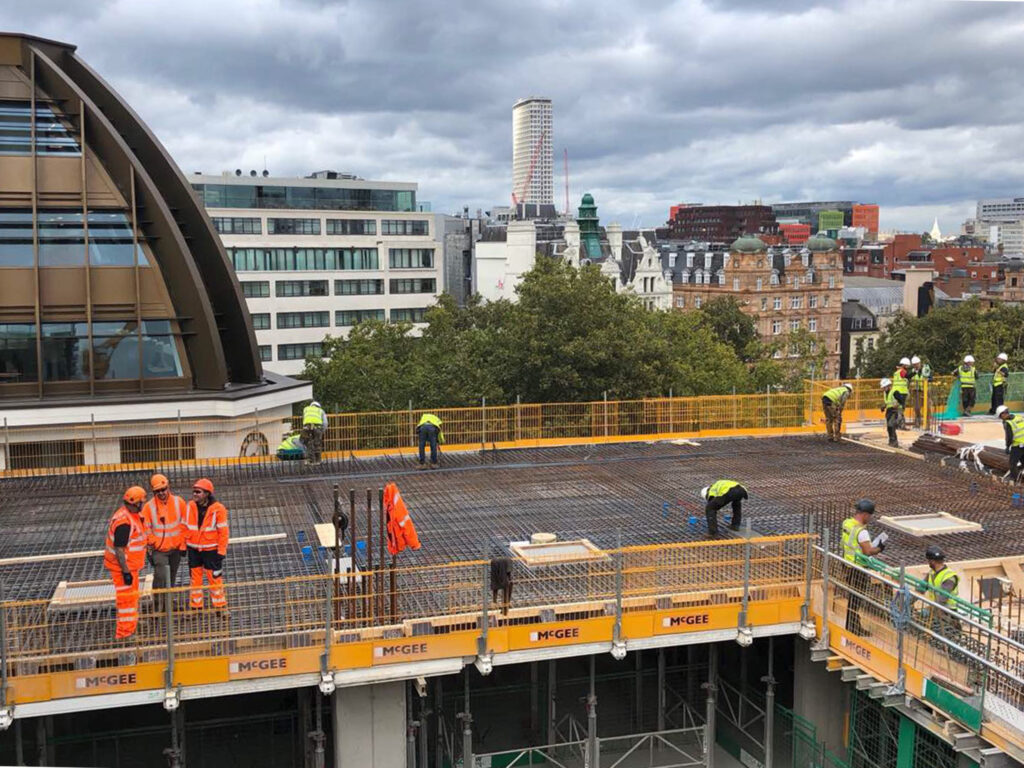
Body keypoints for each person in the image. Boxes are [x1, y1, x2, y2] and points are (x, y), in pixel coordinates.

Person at [104, 487, 148, 639]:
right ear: (136, 503)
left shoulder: (132, 515)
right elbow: (119, 550)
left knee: (133, 597)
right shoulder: (124, 523)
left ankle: (132, 624)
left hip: (131, 566)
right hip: (123, 568)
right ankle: (125, 634)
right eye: (142, 502)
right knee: (126, 602)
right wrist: (126, 572)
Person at [141, 474, 185, 614]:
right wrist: (154, 543)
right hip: (159, 550)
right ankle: (157, 606)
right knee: (160, 577)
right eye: (157, 491)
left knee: (171, 576)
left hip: (176, 549)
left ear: (168, 487)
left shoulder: (179, 503)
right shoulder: (149, 507)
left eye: (163, 489)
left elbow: (185, 525)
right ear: (154, 492)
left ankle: (168, 604)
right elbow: (145, 529)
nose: (161, 493)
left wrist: (183, 545)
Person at [184, 478, 229, 615]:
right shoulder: (190, 506)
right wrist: (182, 546)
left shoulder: (218, 509)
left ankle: (220, 607)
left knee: (215, 579)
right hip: (194, 550)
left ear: (207, 494)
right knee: (195, 581)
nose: (195, 494)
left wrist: (221, 551)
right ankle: (196, 607)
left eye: (198, 492)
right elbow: (183, 527)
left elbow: (223, 532)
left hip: (211, 551)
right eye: (194, 491)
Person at [841, 499, 886, 636]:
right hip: (857, 568)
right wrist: (879, 548)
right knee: (856, 599)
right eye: (870, 516)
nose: (870, 518)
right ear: (865, 514)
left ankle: (851, 624)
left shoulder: (847, 523)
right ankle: (853, 627)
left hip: (846, 564)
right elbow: (867, 551)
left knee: (852, 597)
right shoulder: (862, 532)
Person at [918, 546, 962, 647]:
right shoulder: (932, 573)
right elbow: (920, 589)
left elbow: (942, 599)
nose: (928, 563)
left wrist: (928, 610)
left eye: (928, 561)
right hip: (936, 610)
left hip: (947, 612)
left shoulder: (949, 577)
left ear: (932, 561)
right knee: (935, 638)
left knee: (948, 640)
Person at [997, 405, 1024, 484]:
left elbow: (1009, 437)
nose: (1001, 418)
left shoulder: (1008, 423)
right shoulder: (1019, 417)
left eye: (1000, 416)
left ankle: (1014, 480)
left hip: (1018, 445)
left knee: (1012, 463)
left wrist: (1007, 447)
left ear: (1002, 414)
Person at [909, 356, 929, 428]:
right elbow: (909, 378)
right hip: (916, 391)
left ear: (920, 363)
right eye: (914, 365)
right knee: (917, 408)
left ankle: (927, 424)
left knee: (927, 408)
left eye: (917, 364)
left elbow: (930, 377)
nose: (916, 366)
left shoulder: (926, 369)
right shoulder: (913, 371)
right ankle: (917, 422)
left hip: (925, 390)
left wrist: (928, 379)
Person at [879, 378, 899, 447]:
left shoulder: (894, 392)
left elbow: (898, 401)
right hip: (889, 411)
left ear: (888, 386)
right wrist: (883, 406)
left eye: (884, 387)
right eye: (883, 387)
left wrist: (896, 406)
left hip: (894, 411)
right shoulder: (885, 393)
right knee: (888, 427)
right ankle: (891, 441)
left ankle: (895, 441)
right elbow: (887, 401)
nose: (883, 389)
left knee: (891, 425)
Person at [892, 358, 911, 428]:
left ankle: (898, 424)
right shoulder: (902, 371)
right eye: (907, 366)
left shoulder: (896, 372)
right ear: (904, 365)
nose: (908, 367)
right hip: (901, 393)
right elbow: (907, 376)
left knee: (898, 409)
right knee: (901, 409)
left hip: (896, 393)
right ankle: (899, 424)